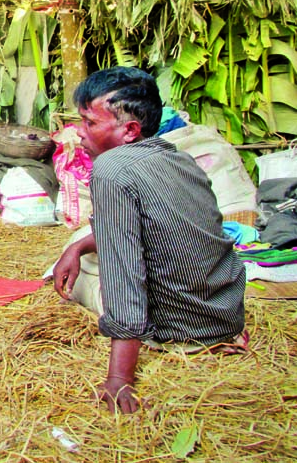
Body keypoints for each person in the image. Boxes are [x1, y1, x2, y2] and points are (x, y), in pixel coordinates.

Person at [51, 67, 246, 414]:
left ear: (129, 130)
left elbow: (124, 274)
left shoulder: (111, 169)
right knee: (86, 248)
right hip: (223, 314)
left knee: (67, 278)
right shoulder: (178, 157)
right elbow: (167, 228)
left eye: (89, 123)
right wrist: (78, 246)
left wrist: (118, 378)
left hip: (180, 327)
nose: (78, 134)